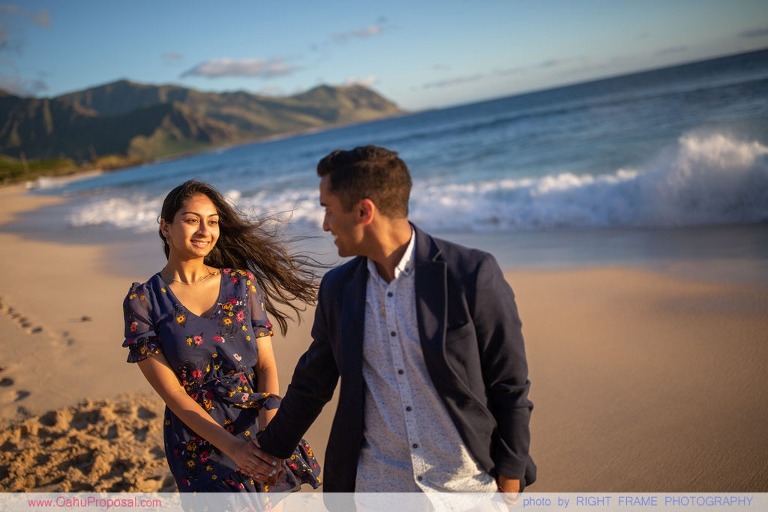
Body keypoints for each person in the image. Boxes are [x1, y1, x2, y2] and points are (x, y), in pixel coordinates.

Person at [254, 145, 536, 494]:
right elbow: (312, 383)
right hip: (378, 487)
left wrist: (509, 481)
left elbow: (509, 385)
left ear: (364, 211)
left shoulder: (470, 274)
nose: (324, 224)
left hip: (468, 486)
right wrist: (266, 451)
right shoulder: (338, 289)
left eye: (327, 209)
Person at [121, 179, 321, 495]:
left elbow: (266, 366)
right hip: (199, 437)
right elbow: (173, 393)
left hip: (258, 423)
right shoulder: (144, 301)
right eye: (191, 220)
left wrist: (271, 437)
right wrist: (234, 449)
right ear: (165, 227)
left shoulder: (242, 284)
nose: (205, 231)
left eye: (212, 222)